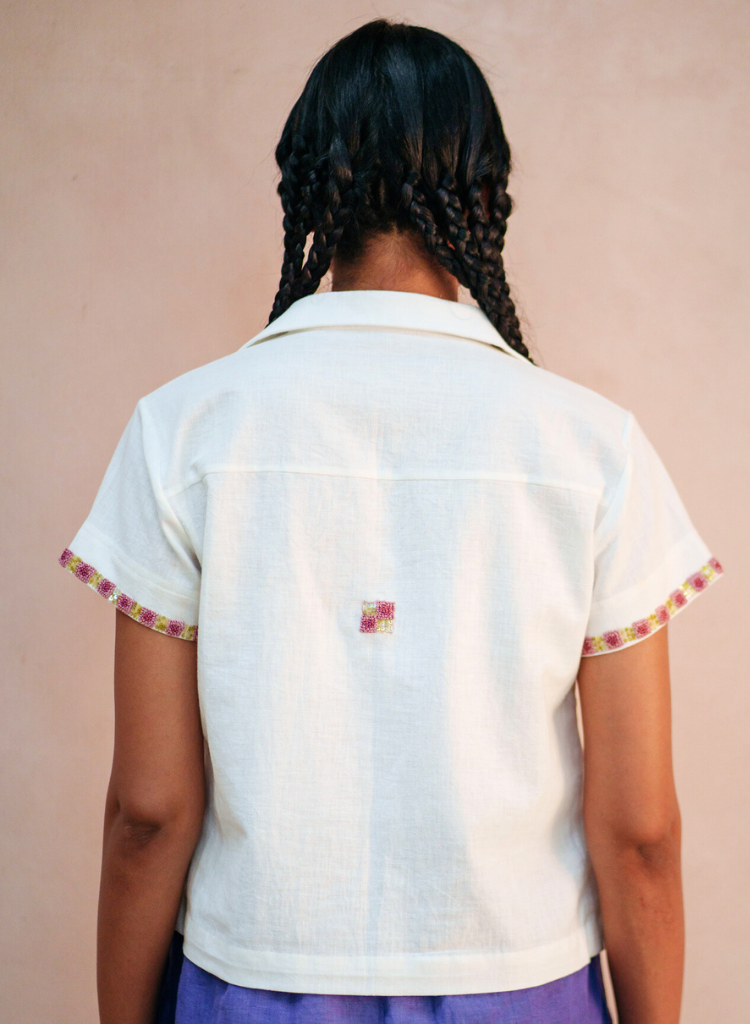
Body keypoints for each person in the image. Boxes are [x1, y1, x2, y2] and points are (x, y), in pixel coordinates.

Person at [59, 19, 725, 1024]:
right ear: (486, 190)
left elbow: (148, 812)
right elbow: (640, 833)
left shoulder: (182, 430)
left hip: (254, 982)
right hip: (522, 987)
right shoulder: (593, 447)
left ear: (307, 188)